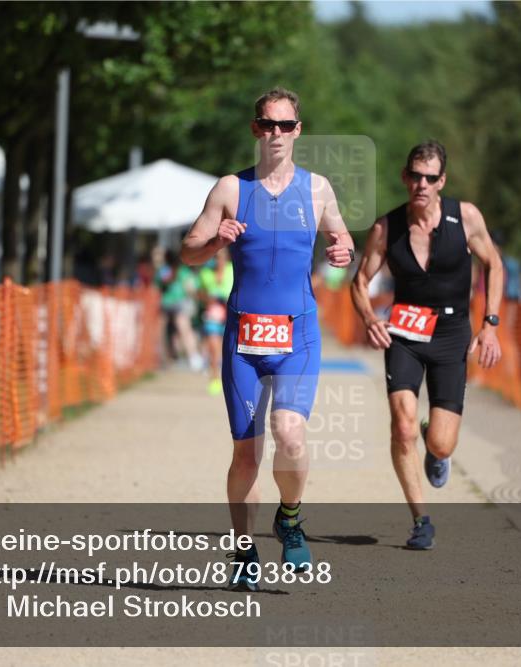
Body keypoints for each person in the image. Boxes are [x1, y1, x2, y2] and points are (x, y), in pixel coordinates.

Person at [181, 87, 354, 589]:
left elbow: (341, 236)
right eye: (266, 124)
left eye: (285, 125)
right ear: (255, 128)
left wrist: (342, 251)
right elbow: (189, 250)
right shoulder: (230, 189)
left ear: (298, 130)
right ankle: (243, 549)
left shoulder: (318, 189)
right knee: (247, 454)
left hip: (297, 335)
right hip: (243, 340)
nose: (275, 133)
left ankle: (291, 518)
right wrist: (216, 240)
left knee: (291, 433)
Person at [350, 140, 503, 550]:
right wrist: (369, 319)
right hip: (404, 334)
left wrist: (490, 324)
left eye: (430, 178)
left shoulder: (465, 216)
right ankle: (421, 521)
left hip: (452, 335)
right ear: (405, 177)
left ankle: (434, 444)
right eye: (415, 175)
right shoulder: (387, 228)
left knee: (440, 442)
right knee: (401, 428)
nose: (421, 184)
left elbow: (494, 264)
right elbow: (361, 281)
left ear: (442, 181)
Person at [198, 249, 234, 395]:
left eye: (220, 257)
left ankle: (230, 379)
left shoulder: (232, 270)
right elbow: (199, 293)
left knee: (229, 350)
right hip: (213, 315)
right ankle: (214, 378)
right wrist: (208, 298)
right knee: (213, 348)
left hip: (230, 315)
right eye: (215, 257)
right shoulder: (205, 274)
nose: (217, 260)